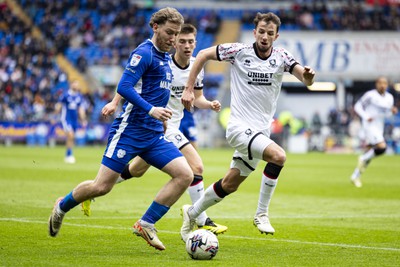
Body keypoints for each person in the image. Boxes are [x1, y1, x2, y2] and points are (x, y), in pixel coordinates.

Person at [48, 7, 190, 251]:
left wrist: (161, 117)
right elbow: (125, 86)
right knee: (101, 187)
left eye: (176, 34)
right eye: (169, 33)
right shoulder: (143, 53)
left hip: (154, 134)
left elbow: (153, 89)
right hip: (130, 131)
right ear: (155, 27)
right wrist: (149, 110)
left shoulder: (166, 56)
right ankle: (62, 205)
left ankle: (146, 223)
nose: (173, 39)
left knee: (185, 175)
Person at [180, 12, 316, 241]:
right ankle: (261, 214)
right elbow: (202, 54)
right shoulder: (239, 51)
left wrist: (310, 76)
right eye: (261, 32)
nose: (264, 36)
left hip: (260, 132)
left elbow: (305, 78)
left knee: (229, 184)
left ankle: (191, 213)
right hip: (239, 128)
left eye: (269, 33)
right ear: (254, 32)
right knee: (278, 156)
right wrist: (188, 88)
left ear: (276, 36)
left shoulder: (282, 56)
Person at [96, 24, 227, 235]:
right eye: (181, 41)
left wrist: (209, 103)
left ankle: (94, 190)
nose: (186, 45)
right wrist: (114, 102)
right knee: (196, 167)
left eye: (190, 41)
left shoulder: (196, 67)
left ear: (196, 43)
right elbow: (130, 82)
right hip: (161, 124)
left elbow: (197, 98)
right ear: (174, 42)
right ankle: (201, 218)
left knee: (137, 170)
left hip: (171, 124)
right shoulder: (163, 63)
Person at [350, 76, 398, 187]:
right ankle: (362, 158)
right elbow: (357, 106)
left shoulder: (389, 98)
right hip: (369, 125)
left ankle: (355, 176)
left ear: (387, 85)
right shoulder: (370, 95)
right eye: (380, 83)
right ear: (376, 84)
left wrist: (393, 112)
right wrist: (366, 116)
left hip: (379, 126)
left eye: (385, 83)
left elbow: (386, 114)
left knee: (370, 154)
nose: (382, 85)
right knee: (382, 147)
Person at [54, 80, 87, 164]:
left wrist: (83, 120)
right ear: (71, 85)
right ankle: (69, 155)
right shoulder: (65, 95)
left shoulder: (79, 96)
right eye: (75, 84)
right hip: (66, 119)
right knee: (70, 134)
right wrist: (54, 115)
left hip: (74, 120)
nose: (76, 85)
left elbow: (81, 109)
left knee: (71, 138)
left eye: (77, 84)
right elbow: (59, 105)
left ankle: (67, 154)